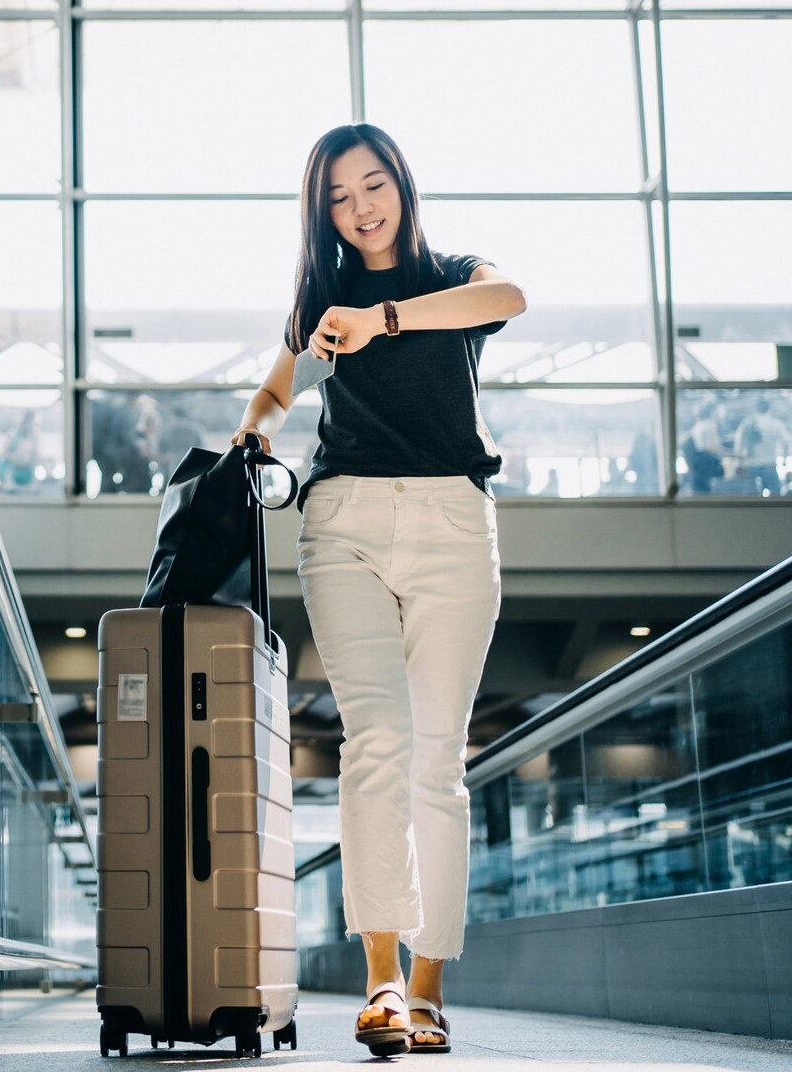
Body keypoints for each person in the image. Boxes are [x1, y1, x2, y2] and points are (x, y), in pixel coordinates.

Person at [229, 124, 524, 1055]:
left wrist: (387, 320)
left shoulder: (454, 274)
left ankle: (433, 984)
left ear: (401, 182)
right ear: (323, 213)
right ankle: (385, 981)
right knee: (376, 745)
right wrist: (256, 429)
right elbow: (277, 390)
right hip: (344, 523)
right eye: (340, 197)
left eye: (374, 185)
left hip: (450, 524)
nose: (361, 208)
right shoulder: (322, 301)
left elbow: (509, 297)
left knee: (438, 759)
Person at [732, 399, 790, 496]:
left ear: (755, 408)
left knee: (751, 500)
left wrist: (739, 463)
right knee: (777, 499)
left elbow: (738, 447)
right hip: (769, 466)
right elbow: (787, 443)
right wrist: (784, 460)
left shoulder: (746, 424)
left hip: (750, 467)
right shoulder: (776, 424)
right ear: (769, 408)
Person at [681, 402, 727, 494]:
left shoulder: (698, 425)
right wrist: (731, 453)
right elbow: (712, 446)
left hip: (698, 464)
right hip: (707, 463)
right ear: (712, 412)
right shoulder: (710, 424)